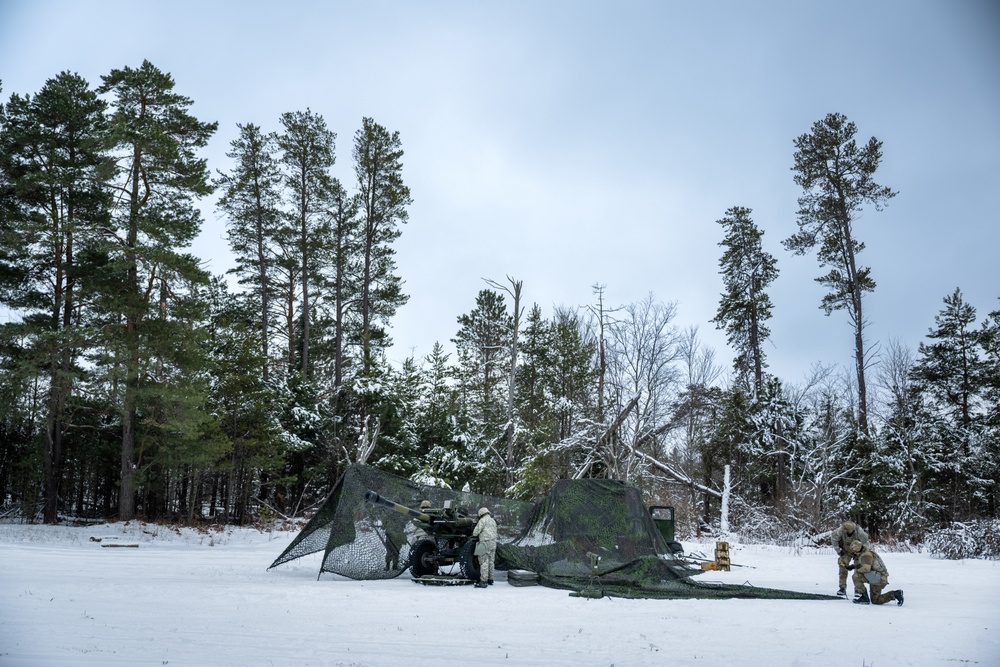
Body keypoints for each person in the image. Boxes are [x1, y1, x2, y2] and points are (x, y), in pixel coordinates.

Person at [847, 539, 904, 606]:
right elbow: (866, 565)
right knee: (875, 600)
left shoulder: (866, 555)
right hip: (879, 577)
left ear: (857, 550)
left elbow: (866, 568)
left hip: (878, 577)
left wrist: (858, 570)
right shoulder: (866, 553)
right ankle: (895, 594)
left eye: (854, 552)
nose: (854, 553)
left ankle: (864, 597)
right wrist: (854, 566)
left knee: (856, 576)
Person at [831, 521, 869, 598]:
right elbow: (834, 539)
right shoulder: (840, 530)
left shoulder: (859, 532)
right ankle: (842, 588)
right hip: (846, 551)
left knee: (858, 568)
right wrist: (839, 551)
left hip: (858, 552)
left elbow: (866, 543)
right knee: (842, 565)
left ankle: (858, 589)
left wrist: (862, 554)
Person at [471, 506, 498, 588]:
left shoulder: (482, 521)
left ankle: (483, 581)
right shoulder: (493, 520)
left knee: (483, 561)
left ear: (481, 514)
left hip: (485, 542)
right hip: (493, 542)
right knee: (491, 561)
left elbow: (475, 532)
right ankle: (490, 579)